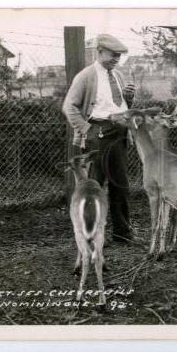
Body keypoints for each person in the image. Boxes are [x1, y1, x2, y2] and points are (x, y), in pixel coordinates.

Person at [63, 34, 136, 243]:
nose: (116, 59)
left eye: (119, 56)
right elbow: (69, 106)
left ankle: (123, 233)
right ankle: (91, 235)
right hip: (98, 134)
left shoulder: (118, 76)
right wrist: (87, 129)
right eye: (113, 55)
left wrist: (129, 97)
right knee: (94, 187)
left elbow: (118, 106)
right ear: (100, 51)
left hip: (120, 133)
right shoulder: (86, 76)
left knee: (120, 185)